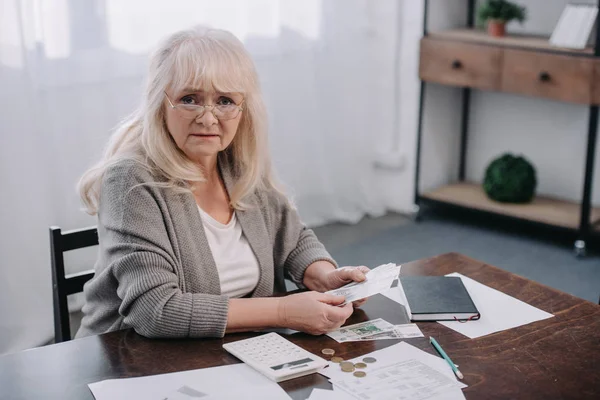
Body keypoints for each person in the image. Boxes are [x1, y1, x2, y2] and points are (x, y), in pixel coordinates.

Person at [75, 26, 369, 339]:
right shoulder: (130, 180)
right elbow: (156, 310)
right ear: (160, 104)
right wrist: (284, 312)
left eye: (225, 100)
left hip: (225, 351)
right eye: (189, 99)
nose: (208, 117)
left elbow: (291, 239)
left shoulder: (234, 162)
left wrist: (325, 277)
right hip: (130, 361)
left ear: (244, 108)